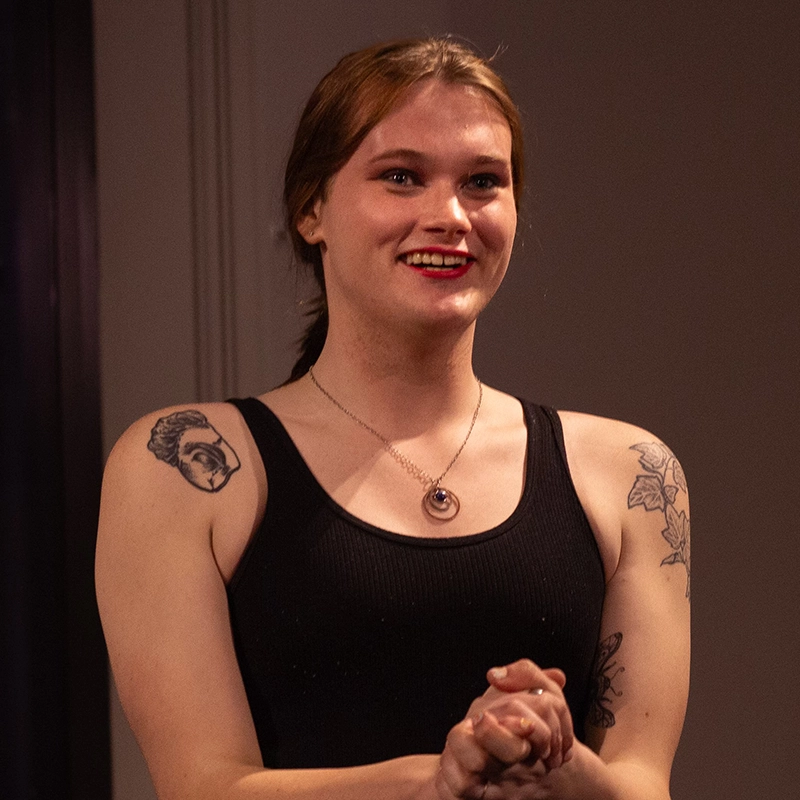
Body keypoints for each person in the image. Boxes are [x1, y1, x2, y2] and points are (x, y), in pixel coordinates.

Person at [96, 38, 690, 800]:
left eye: (482, 182)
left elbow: (642, 784)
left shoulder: (633, 472)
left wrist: (556, 761)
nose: (448, 216)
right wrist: (435, 780)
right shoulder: (182, 467)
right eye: (401, 177)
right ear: (312, 209)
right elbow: (204, 786)